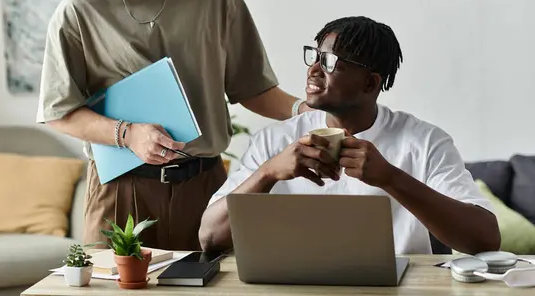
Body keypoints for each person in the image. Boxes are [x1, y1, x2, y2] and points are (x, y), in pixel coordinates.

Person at [35, 0, 311, 251]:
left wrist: (306, 111)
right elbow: (60, 112)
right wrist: (128, 134)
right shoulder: (79, 12)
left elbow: (253, 88)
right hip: (121, 192)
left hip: (206, 189)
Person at [198, 16, 501, 255]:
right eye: (314, 56)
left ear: (370, 83)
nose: (313, 70)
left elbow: (485, 240)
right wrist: (267, 173)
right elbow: (209, 237)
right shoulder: (273, 141)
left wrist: (390, 178)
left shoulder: (425, 142)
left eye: (329, 62)